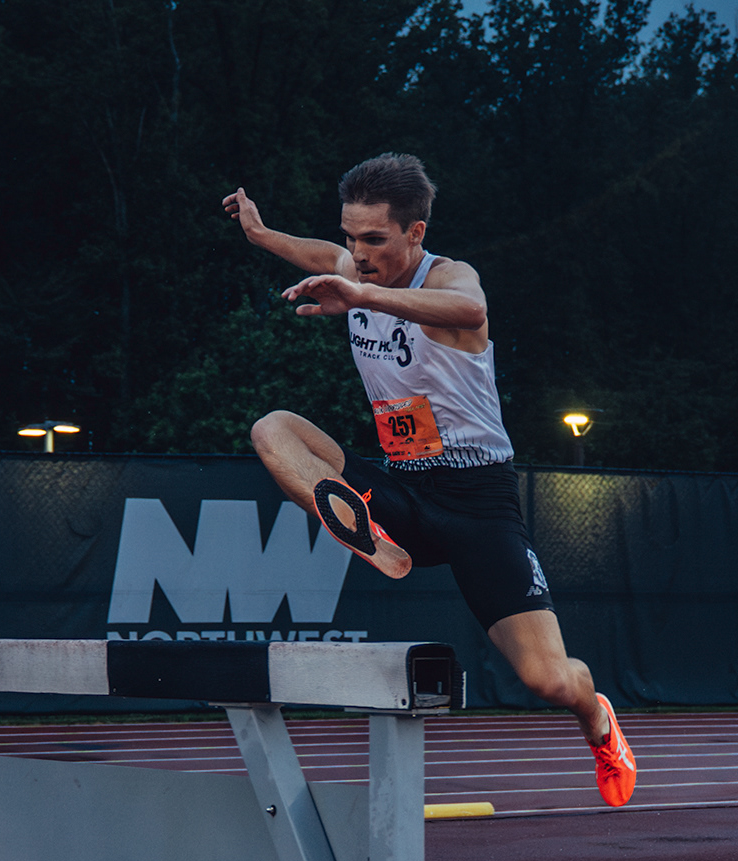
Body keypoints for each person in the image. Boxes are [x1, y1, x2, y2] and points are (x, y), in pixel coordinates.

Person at [222, 152, 636, 806]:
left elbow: (469, 309)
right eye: (351, 238)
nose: (358, 256)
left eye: (374, 240)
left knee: (550, 681)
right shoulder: (354, 267)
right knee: (273, 428)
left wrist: (363, 296)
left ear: (415, 232)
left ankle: (599, 719)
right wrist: (261, 233)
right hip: (404, 492)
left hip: (478, 507)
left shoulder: (446, 278)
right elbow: (319, 254)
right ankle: (366, 534)